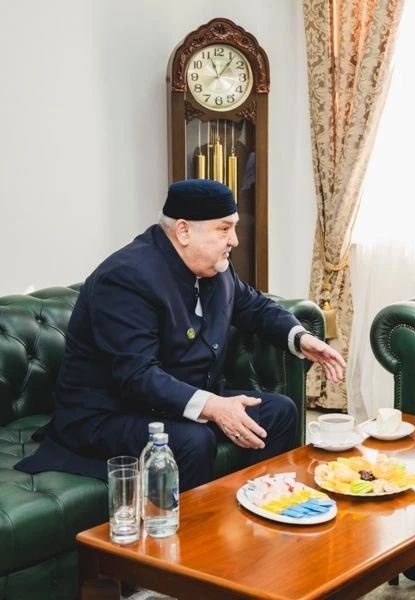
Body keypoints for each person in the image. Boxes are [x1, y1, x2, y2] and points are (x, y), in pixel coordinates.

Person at [16, 180, 346, 491]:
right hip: (108, 414)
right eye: (224, 229)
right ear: (184, 231)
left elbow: (254, 306)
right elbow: (137, 376)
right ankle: (194, 533)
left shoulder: (216, 267)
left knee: (280, 412)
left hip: (173, 403)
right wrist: (214, 406)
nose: (234, 240)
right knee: (191, 441)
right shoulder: (125, 278)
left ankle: (261, 508)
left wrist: (301, 338)